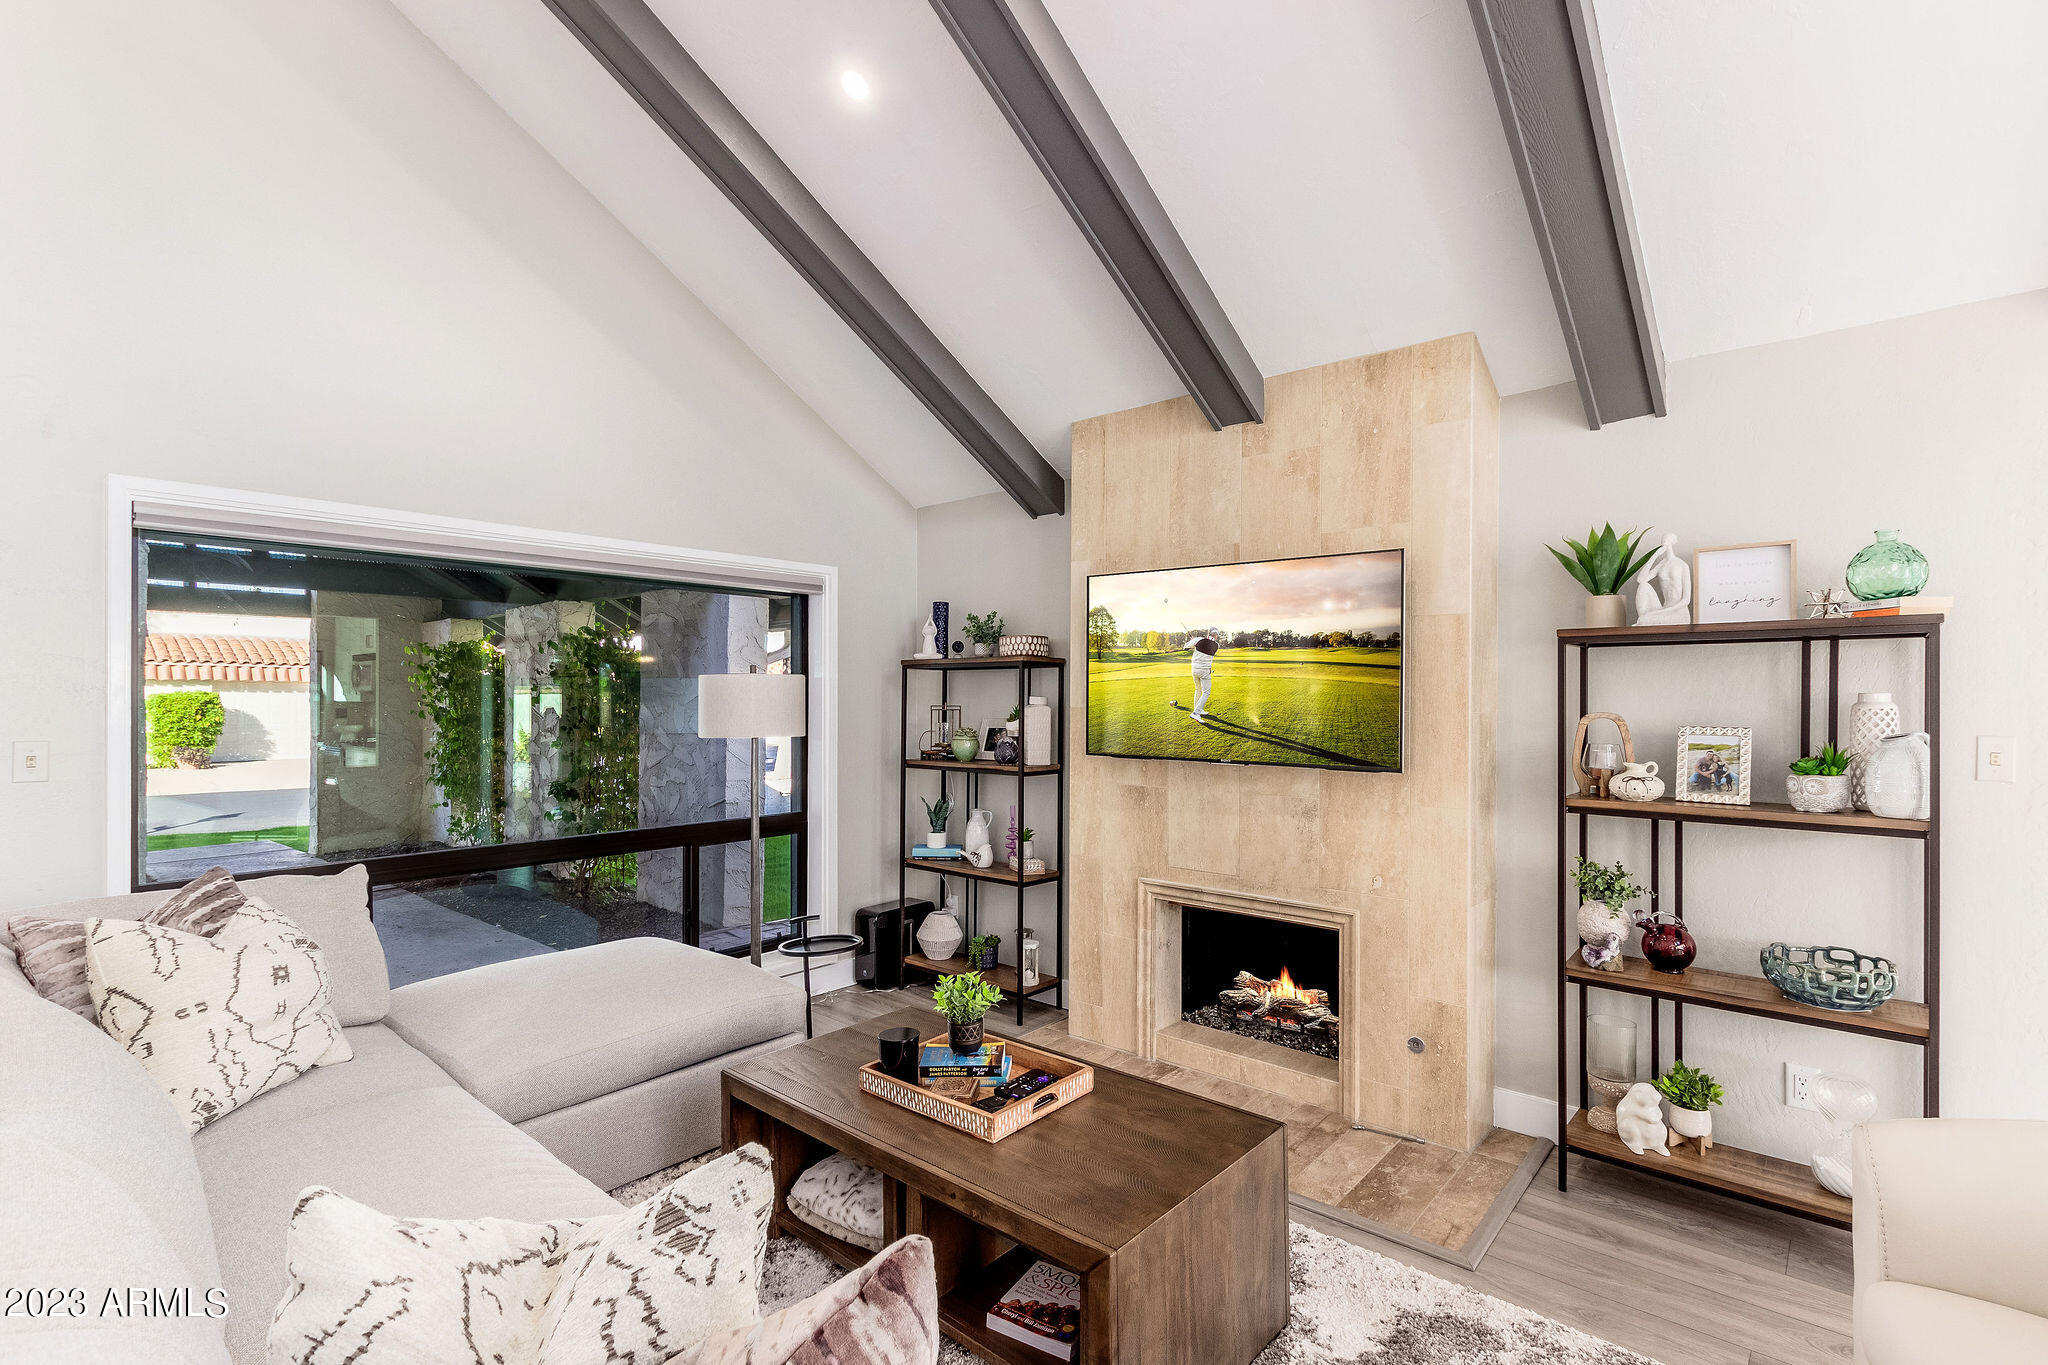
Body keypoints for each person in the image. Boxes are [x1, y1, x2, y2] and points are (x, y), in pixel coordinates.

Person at [1185, 631, 1218, 722]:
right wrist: (1196, 642)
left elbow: (1186, 647)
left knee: (1198, 689)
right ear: (1216, 636)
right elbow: (1206, 645)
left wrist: (1194, 642)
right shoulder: (1216, 645)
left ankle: (1198, 709)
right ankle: (1196, 713)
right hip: (1204, 671)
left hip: (1194, 670)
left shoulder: (1198, 640)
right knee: (1206, 692)